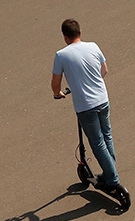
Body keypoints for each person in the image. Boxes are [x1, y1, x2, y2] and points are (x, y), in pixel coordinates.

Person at [50, 19, 124, 194]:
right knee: (107, 135)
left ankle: (112, 179)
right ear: (80, 32)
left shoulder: (61, 55)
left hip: (86, 106)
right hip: (103, 99)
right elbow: (104, 70)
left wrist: (57, 93)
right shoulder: (93, 46)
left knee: (97, 142)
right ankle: (110, 171)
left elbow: (55, 82)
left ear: (65, 37)